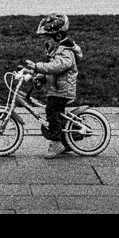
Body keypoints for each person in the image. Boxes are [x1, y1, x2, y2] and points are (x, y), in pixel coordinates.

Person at [23, 13, 83, 158]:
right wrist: (40, 77)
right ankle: (66, 142)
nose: (47, 40)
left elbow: (57, 67)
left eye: (48, 37)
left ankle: (56, 143)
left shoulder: (66, 51)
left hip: (63, 90)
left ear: (58, 36)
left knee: (52, 111)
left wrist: (37, 66)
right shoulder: (57, 49)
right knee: (56, 114)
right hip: (57, 89)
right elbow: (51, 70)